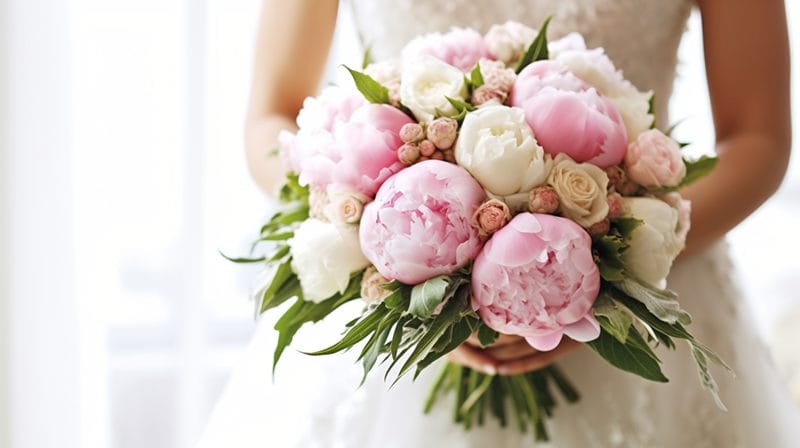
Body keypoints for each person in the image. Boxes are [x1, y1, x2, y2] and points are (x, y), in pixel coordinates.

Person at [200, 0, 800, 446]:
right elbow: (273, 115)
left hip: (649, 293)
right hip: (395, 306)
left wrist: (594, 275)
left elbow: (759, 137)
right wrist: (402, 265)